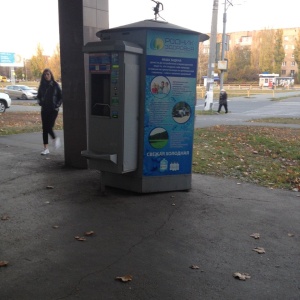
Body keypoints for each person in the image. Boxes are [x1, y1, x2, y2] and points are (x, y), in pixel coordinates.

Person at [37, 68, 62, 155]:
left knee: (49, 127)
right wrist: (40, 102)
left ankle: (55, 138)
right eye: (45, 75)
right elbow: (38, 96)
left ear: (51, 75)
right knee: (44, 128)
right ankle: (46, 148)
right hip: (44, 109)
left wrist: (57, 105)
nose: (47, 76)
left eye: (48, 74)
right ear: (43, 76)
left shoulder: (55, 85)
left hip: (53, 109)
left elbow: (61, 96)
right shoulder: (42, 86)